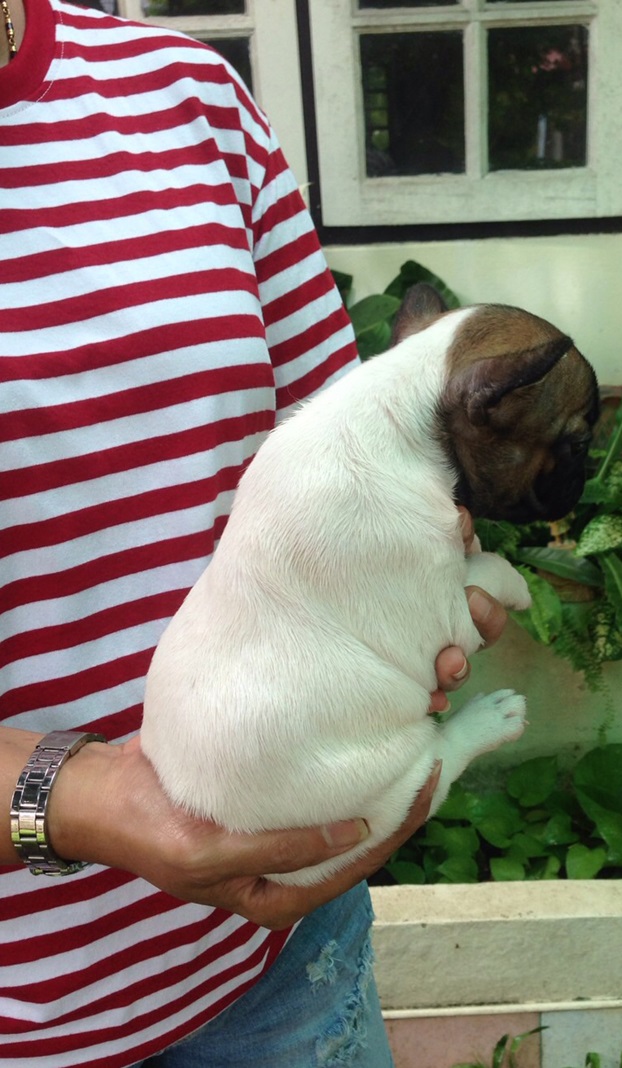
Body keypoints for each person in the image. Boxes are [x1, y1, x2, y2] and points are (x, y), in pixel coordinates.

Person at [0, 1, 509, 1065]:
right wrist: (73, 799)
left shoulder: (182, 92)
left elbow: (350, 438)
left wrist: (425, 568)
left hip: (275, 962)